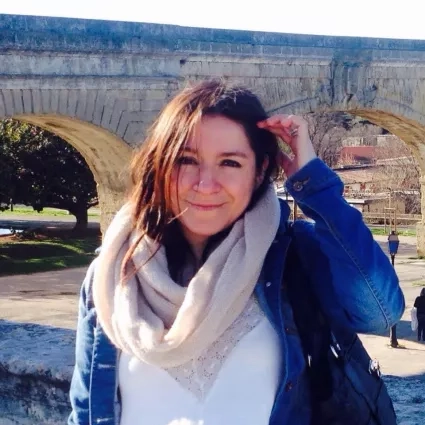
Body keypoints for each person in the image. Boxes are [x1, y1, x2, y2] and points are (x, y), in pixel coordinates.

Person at [68, 80, 404, 425]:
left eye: (230, 163)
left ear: (259, 172)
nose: (205, 184)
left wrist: (315, 186)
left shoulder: (292, 258)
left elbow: (379, 312)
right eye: (186, 160)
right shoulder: (112, 272)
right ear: (162, 165)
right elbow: (86, 409)